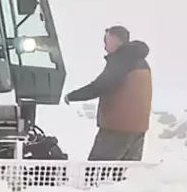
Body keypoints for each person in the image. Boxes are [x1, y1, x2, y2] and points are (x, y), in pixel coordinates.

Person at [64, 25, 152, 161]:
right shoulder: (141, 61)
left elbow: (100, 86)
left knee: (95, 173)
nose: (105, 46)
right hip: (138, 129)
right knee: (126, 176)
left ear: (116, 40)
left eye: (107, 41)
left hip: (117, 129)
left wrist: (72, 96)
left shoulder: (122, 60)